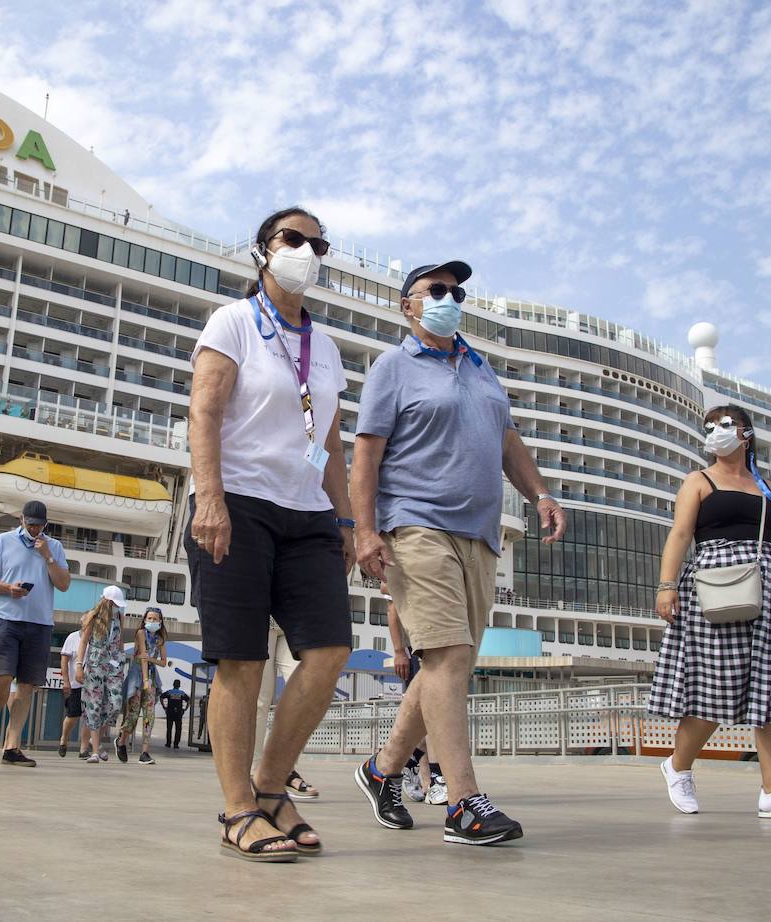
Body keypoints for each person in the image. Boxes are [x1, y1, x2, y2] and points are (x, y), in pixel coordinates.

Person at [352, 260, 566, 847]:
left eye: (457, 290)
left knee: (451, 665)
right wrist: (364, 533)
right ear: (408, 305)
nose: (450, 298)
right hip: (415, 524)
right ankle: (463, 802)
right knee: (446, 657)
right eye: (436, 290)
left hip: (480, 533)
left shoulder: (480, 368)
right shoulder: (393, 369)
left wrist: (540, 493)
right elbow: (366, 456)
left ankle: (381, 770)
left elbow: (506, 440)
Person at [187, 206, 355, 862]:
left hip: (308, 511)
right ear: (263, 250)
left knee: (329, 651)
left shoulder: (329, 348)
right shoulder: (233, 322)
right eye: (294, 239)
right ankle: (238, 810)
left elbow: (331, 442)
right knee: (242, 659)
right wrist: (211, 500)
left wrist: (344, 520)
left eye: (318, 243)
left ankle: (268, 785)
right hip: (240, 504)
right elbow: (204, 409)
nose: (307, 251)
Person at [649, 405, 771, 820]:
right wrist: (666, 585)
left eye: (725, 425)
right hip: (715, 587)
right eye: (709, 427)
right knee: (716, 688)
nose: (716, 432)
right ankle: (678, 765)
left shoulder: (767, 486)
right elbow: (681, 533)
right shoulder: (699, 480)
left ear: (746, 433)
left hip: (768, 588)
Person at [0, 500, 71, 767]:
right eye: (31, 524)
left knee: (27, 685)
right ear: (21, 521)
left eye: (40, 525)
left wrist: (48, 556)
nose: (35, 529)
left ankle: (12, 745)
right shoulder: (3, 541)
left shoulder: (55, 547)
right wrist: (7, 588)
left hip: (40, 624)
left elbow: (63, 585)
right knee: (2, 677)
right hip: (7, 619)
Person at [386, 590, 443, 805]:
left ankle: (414, 762)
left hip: (438, 642)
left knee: (431, 714)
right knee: (429, 713)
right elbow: (392, 606)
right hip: (415, 648)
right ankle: (434, 777)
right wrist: (399, 651)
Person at [253, 622, 319, 799]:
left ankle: (280, 769)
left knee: (307, 693)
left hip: (291, 618)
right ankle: (255, 774)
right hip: (261, 615)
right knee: (260, 701)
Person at [78, 586, 128, 763]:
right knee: (94, 705)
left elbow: (120, 641)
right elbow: (84, 641)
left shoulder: (120, 617)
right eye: (115, 603)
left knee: (115, 703)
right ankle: (94, 751)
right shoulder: (93, 617)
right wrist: (79, 665)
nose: (118, 607)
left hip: (114, 666)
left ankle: (96, 738)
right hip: (95, 664)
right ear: (107, 602)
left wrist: (121, 662)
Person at [117, 606, 167, 765]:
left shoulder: (160, 639)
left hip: (152, 675)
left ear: (160, 621)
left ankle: (145, 752)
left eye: (155, 619)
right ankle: (122, 740)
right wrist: (145, 680)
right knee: (133, 713)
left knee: (149, 715)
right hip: (138, 674)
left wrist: (151, 661)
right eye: (150, 618)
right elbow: (142, 658)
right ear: (145, 619)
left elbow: (163, 662)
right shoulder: (140, 633)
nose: (152, 621)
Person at [59, 611, 88, 758]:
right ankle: (64, 738)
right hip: (74, 683)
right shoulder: (73, 637)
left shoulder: (97, 639)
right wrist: (66, 682)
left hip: (91, 684)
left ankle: (84, 748)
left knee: (90, 716)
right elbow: (64, 660)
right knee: (73, 715)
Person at [160, 679, 190, 749]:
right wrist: (185, 709)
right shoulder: (182, 693)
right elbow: (188, 700)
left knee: (169, 729)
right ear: (179, 685)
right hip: (178, 713)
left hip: (170, 712)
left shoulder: (169, 692)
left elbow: (161, 697)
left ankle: (168, 743)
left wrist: (164, 706)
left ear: (173, 685)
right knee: (178, 729)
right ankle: (176, 744)